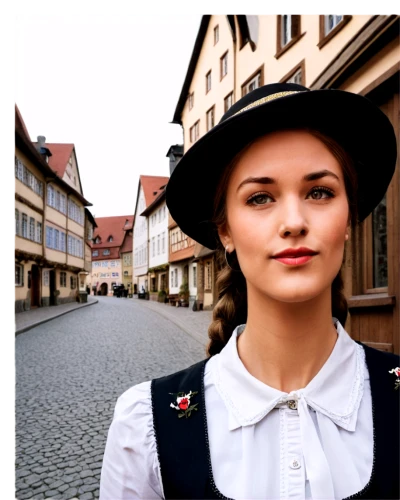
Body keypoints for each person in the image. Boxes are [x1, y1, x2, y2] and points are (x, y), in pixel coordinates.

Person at [99, 83, 399, 499]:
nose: (293, 221)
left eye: (320, 192)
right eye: (260, 198)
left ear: (348, 218)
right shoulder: (146, 427)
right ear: (226, 231)